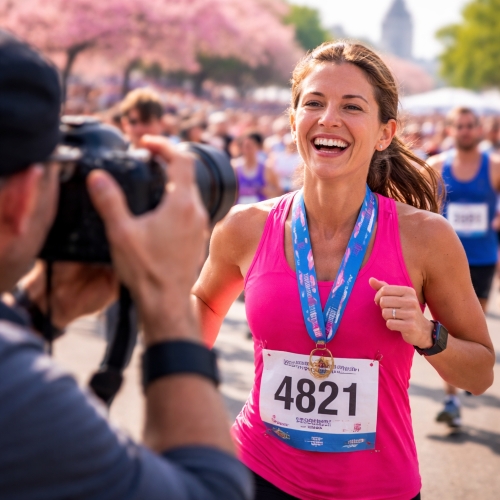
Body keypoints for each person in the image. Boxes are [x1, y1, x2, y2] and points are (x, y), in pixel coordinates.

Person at [192, 41, 495, 500]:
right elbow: (204, 304)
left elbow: (480, 374)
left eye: (352, 106)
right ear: (294, 121)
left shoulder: (426, 239)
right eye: (313, 103)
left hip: (378, 488)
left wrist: (426, 333)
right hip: (255, 474)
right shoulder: (244, 227)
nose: (328, 118)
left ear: (384, 132)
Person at [0, 31, 252, 499]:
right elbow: (212, 490)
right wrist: (166, 301)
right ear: (20, 199)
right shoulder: (20, 396)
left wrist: (40, 310)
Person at [428, 106, 500, 427]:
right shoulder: (436, 167)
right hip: (445, 261)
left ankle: (467, 372)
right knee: (450, 329)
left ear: (479, 130)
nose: (466, 131)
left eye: (471, 125)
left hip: (483, 258)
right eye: (460, 125)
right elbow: (419, 210)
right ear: (450, 130)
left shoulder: (494, 167)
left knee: (472, 327)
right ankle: (451, 397)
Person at [233, 132, 281, 205]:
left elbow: (278, 191)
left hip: (260, 211)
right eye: (246, 147)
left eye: (251, 146)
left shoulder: (266, 168)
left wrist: (269, 191)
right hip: (240, 211)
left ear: (257, 147)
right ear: (241, 149)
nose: (249, 150)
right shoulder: (235, 167)